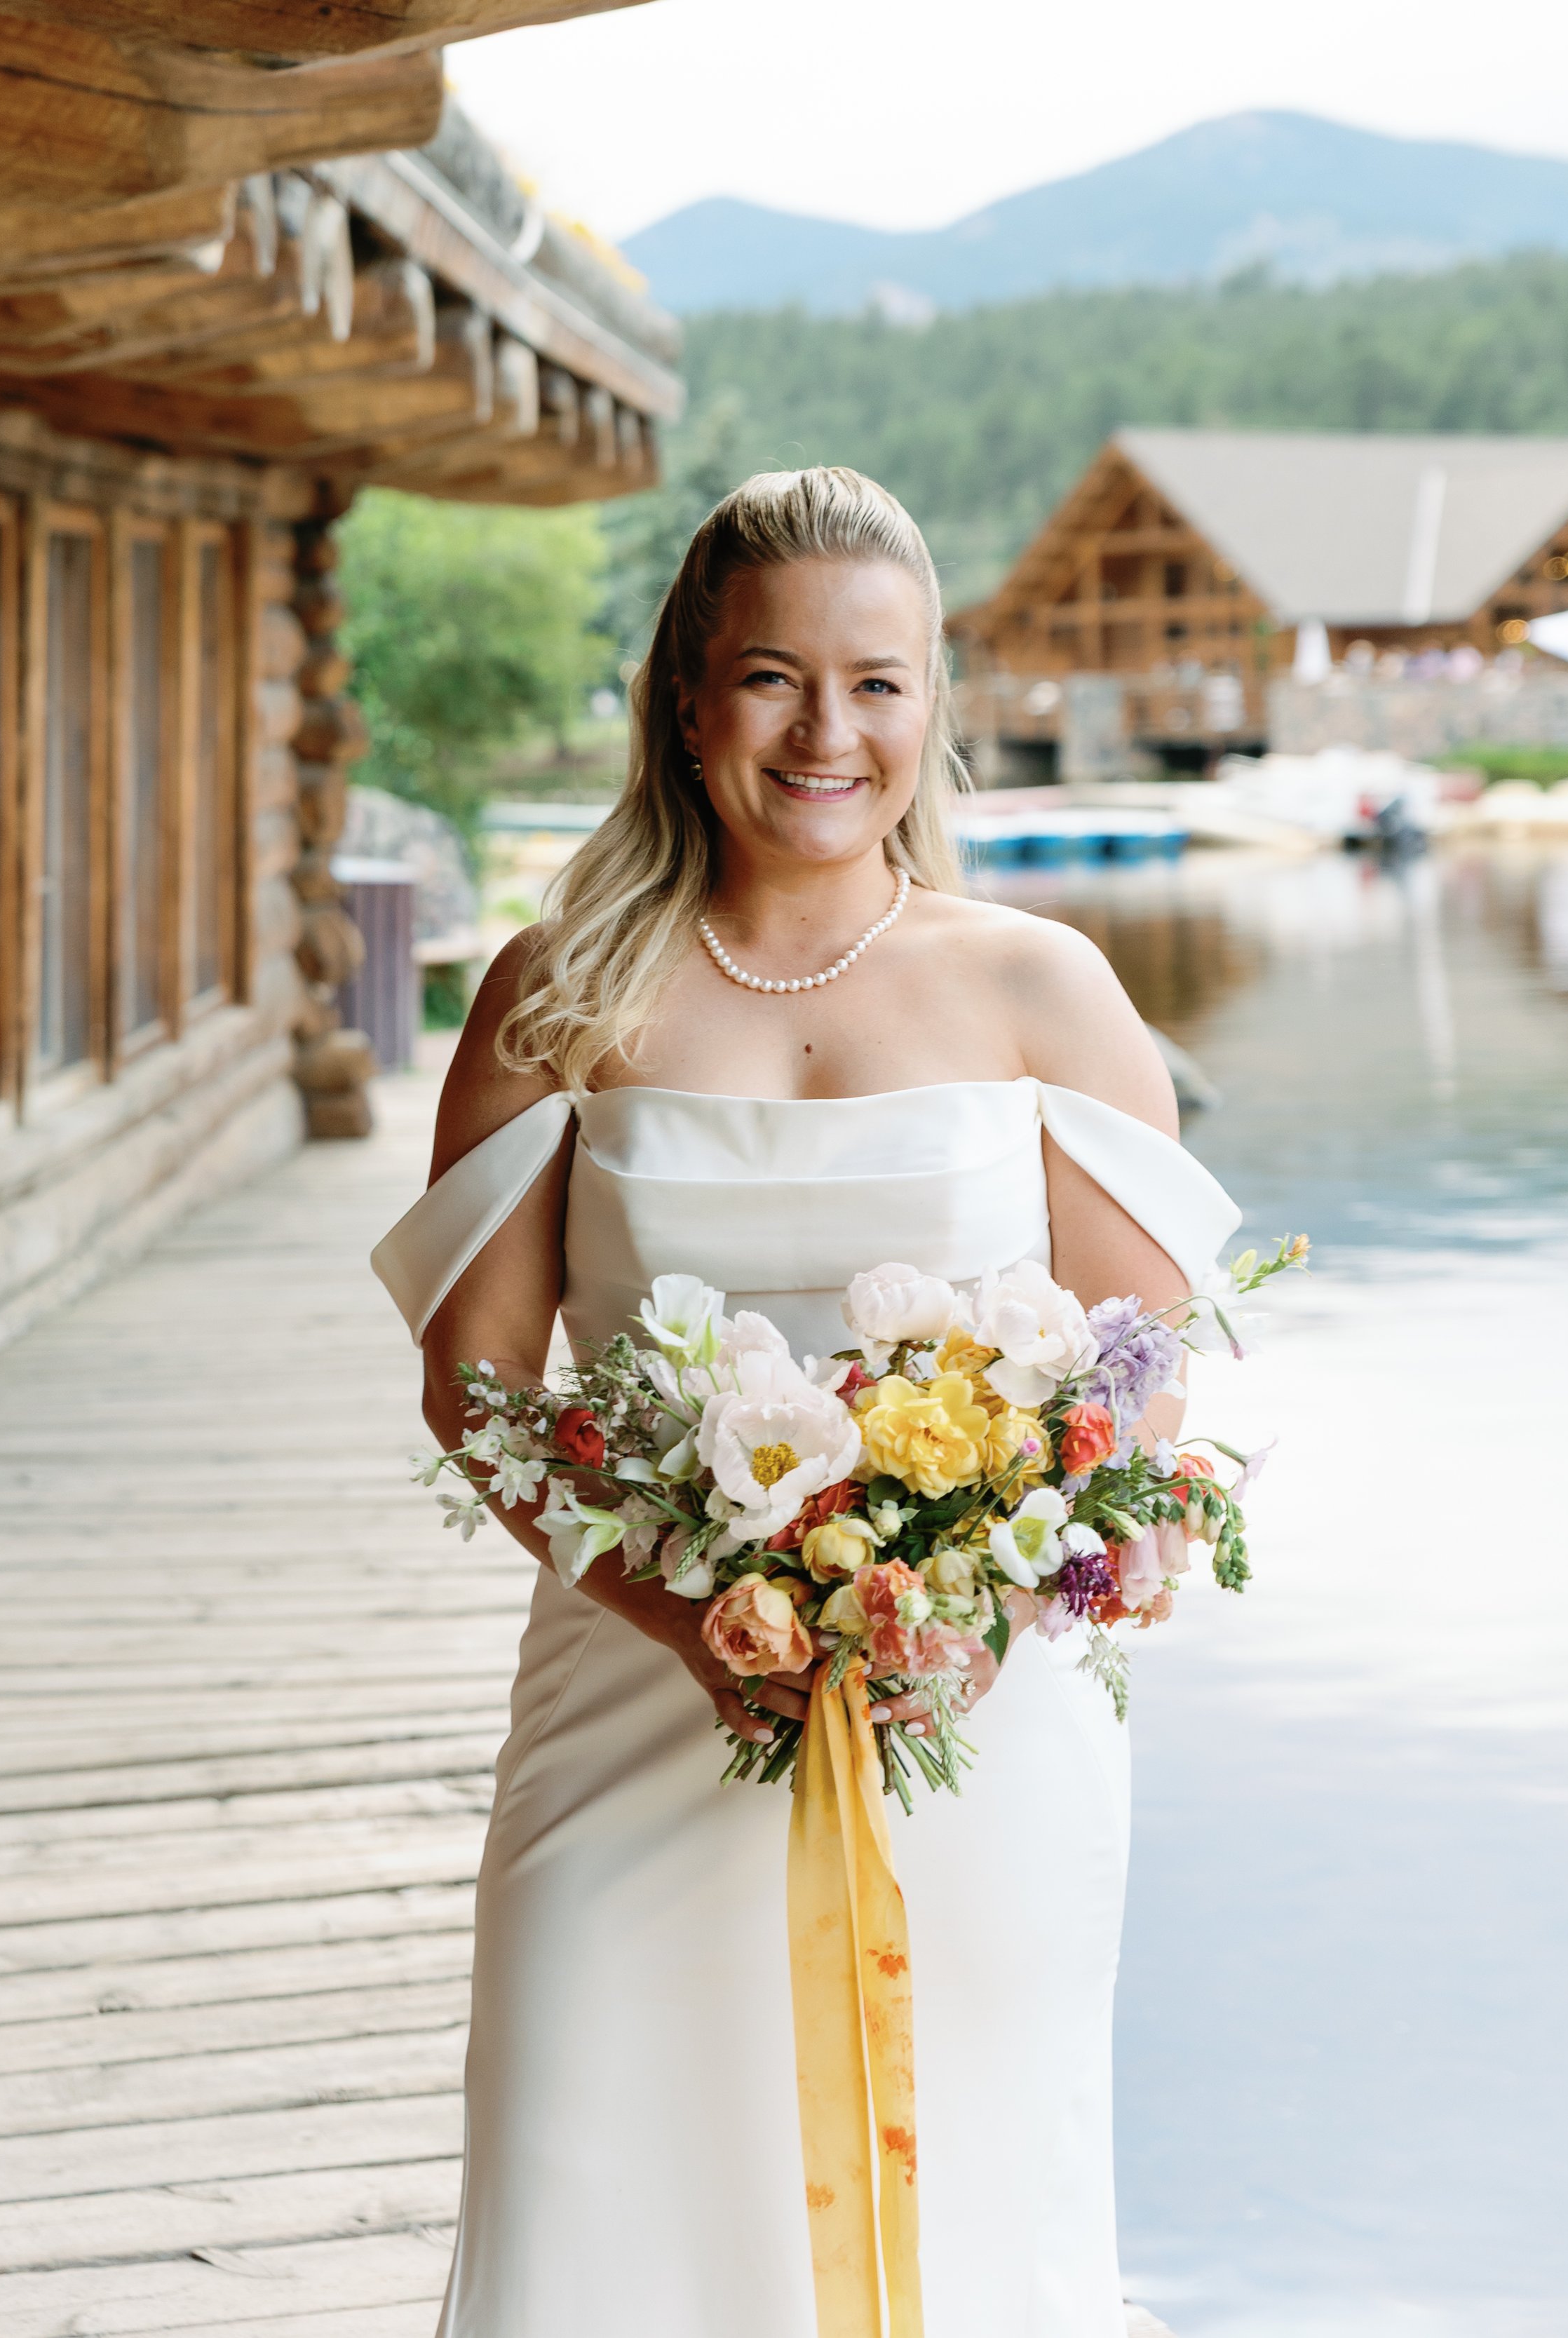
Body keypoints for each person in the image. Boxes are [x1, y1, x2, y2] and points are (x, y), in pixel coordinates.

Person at [372, 467, 1239, 2338]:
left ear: (933, 705)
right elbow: (478, 1383)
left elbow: (1135, 1382)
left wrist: (969, 1615)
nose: (824, 732)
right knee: (596, 2151)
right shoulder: (556, 992)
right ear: (685, 697)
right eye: (771, 679)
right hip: (632, 1682)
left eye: (878, 684)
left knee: (968, 2173)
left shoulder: (1041, 988)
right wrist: (687, 1618)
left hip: (975, 1706)